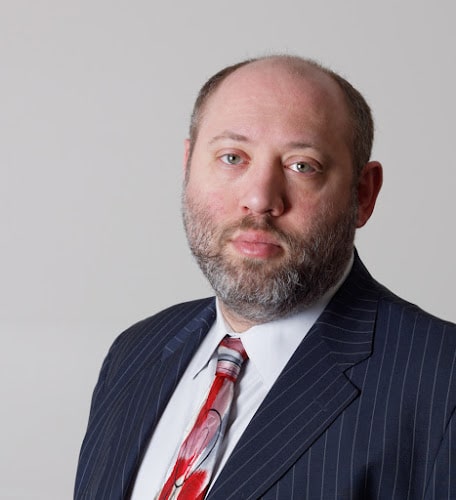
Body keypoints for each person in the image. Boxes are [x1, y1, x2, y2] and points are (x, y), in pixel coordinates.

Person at [74, 55, 456, 499]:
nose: (259, 199)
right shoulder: (134, 353)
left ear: (363, 193)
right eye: (232, 157)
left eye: (302, 165)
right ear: (188, 166)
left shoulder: (443, 383)